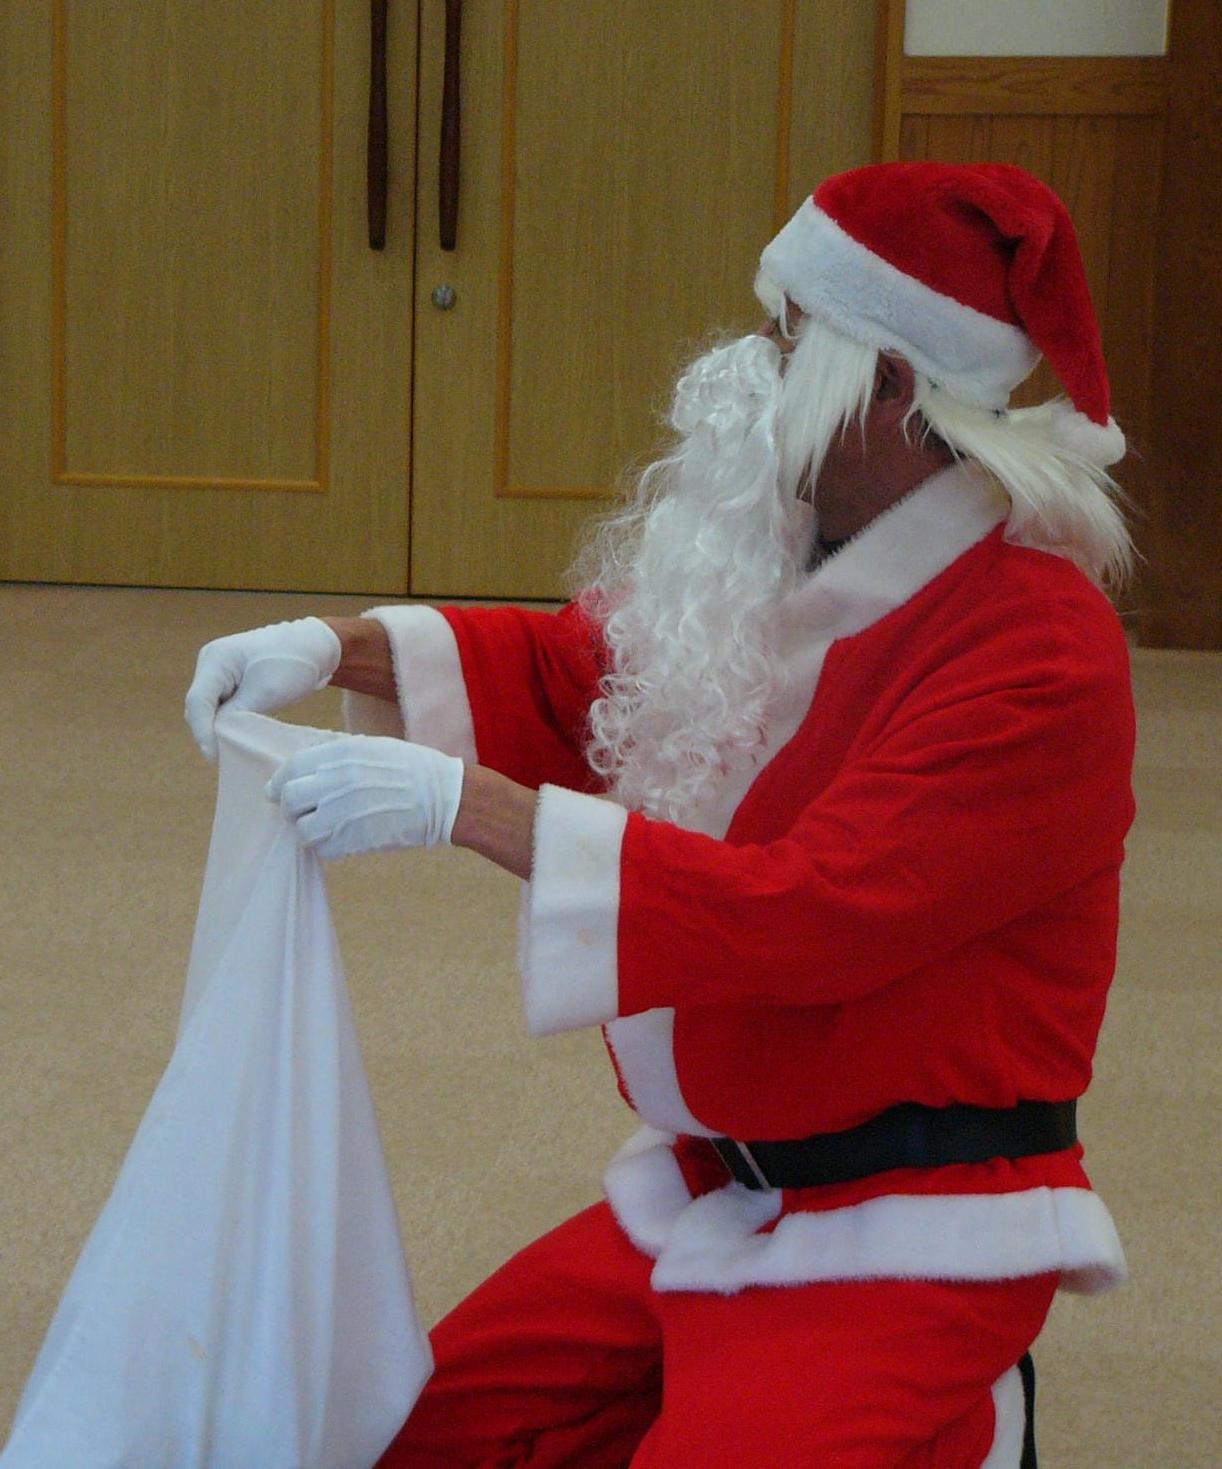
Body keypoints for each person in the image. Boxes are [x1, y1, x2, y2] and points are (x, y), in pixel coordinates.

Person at [183, 163, 1136, 1467]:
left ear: (889, 387)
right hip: (714, 1177)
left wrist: (468, 806)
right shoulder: (797, 549)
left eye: (786, 332)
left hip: (913, 1217)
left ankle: (963, 1427)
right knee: (418, 1437)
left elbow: (822, 914)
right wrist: (332, 643)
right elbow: (584, 676)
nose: (749, 359)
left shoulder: (1039, 650)